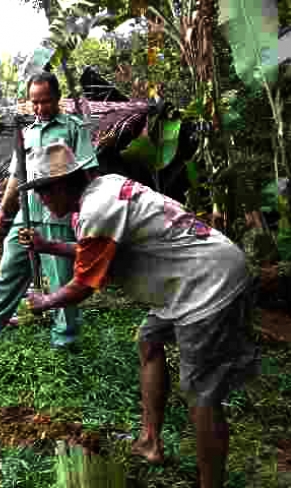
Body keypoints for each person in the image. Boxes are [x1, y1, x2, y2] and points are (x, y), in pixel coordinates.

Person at [16, 141, 261, 488]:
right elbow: (96, 251)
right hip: (190, 277)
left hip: (208, 284)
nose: (41, 199)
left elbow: (84, 284)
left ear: (64, 184)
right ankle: (150, 441)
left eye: (43, 190)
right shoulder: (106, 188)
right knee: (149, 340)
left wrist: (46, 302)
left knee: (201, 394)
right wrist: (48, 246)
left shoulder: (97, 209)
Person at [0, 71, 98, 350]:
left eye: (45, 101)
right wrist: (4, 209)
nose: (39, 108)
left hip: (58, 215)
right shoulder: (26, 134)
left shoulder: (73, 128)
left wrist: (86, 213)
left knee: (62, 278)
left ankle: (66, 339)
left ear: (57, 98)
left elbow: (89, 172)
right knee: (8, 273)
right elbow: (17, 176)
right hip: (26, 214)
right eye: (34, 102)